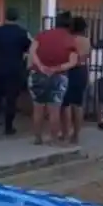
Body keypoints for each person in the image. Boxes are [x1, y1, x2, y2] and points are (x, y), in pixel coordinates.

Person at [28, 13, 79, 145]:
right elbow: (73, 62)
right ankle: (53, 139)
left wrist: (41, 66)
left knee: (38, 107)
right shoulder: (70, 39)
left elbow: (32, 51)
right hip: (59, 76)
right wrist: (55, 69)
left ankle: (37, 138)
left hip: (37, 74)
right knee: (54, 109)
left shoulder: (42, 34)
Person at [0, 7, 32, 135]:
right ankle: (8, 127)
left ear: (5, 16)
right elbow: (29, 49)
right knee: (11, 100)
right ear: (17, 17)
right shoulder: (22, 33)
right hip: (15, 69)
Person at [61, 16, 92, 144]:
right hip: (82, 71)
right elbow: (88, 55)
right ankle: (76, 135)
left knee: (66, 104)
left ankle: (66, 133)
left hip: (70, 71)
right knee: (78, 104)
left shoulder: (70, 40)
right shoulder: (87, 41)